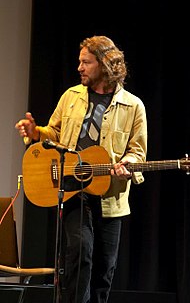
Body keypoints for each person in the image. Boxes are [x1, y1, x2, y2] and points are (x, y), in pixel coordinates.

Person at [15, 35, 148, 303]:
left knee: (104, 270)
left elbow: (137, 151)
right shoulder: (71, 97)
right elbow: (53, 132)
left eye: (86, 62)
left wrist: (128, 165)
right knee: (79, 255)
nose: (80, 67)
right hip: (75, 191)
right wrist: (35, 131)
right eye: (80, 62)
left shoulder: (134, 106)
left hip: (111, 197)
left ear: (105, 65)